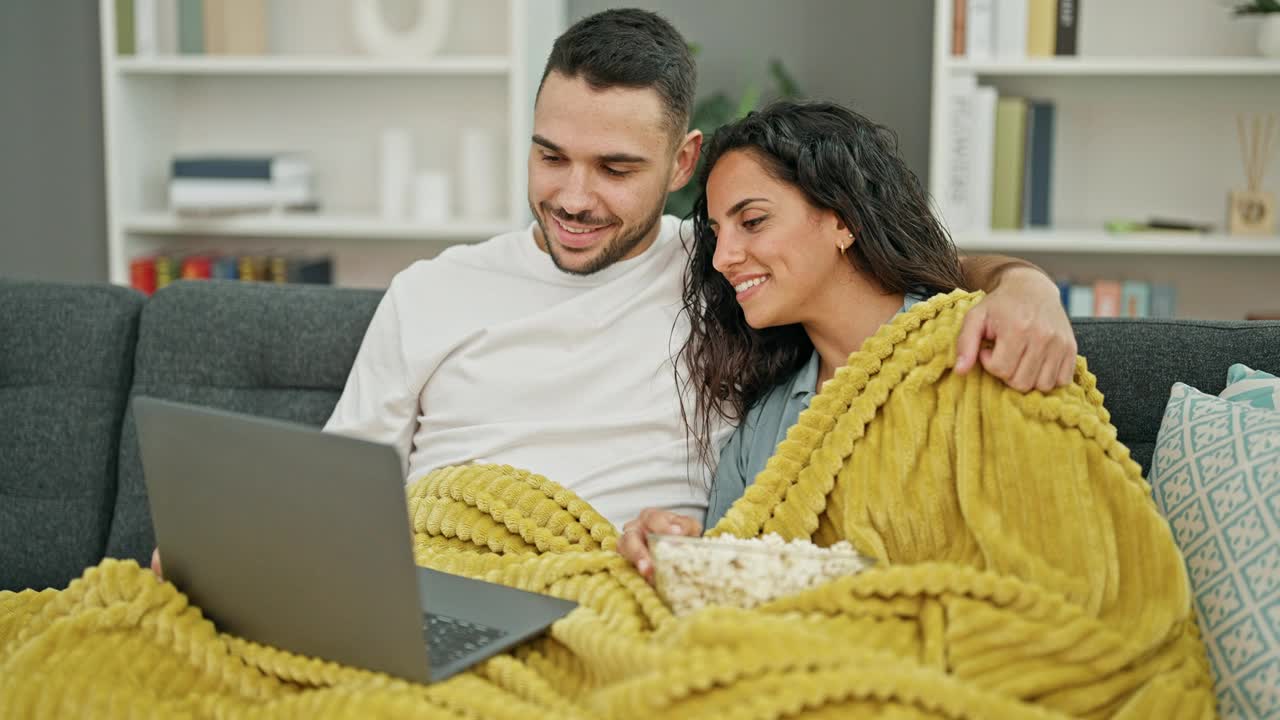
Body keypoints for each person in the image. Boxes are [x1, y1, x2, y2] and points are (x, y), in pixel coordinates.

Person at [153, 9, 1077, 576]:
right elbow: (336, 490)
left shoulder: (726, 271)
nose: (574, 196)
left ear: (681, 164)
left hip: (618, 583)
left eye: (615, 167)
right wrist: (236, 555)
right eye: (551, 155)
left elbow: (887, 262)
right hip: (440, 566)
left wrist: (1024, 283)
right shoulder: (432, 291)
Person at [617, 99, 1079, 579]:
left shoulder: (975, 350)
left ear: (843, 220)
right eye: (717, 233)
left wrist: (1025, 282)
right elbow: (728, 586)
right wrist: (675, 551)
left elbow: (1050, 557)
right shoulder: (765, 426)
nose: (722, 258)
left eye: (752, 221)